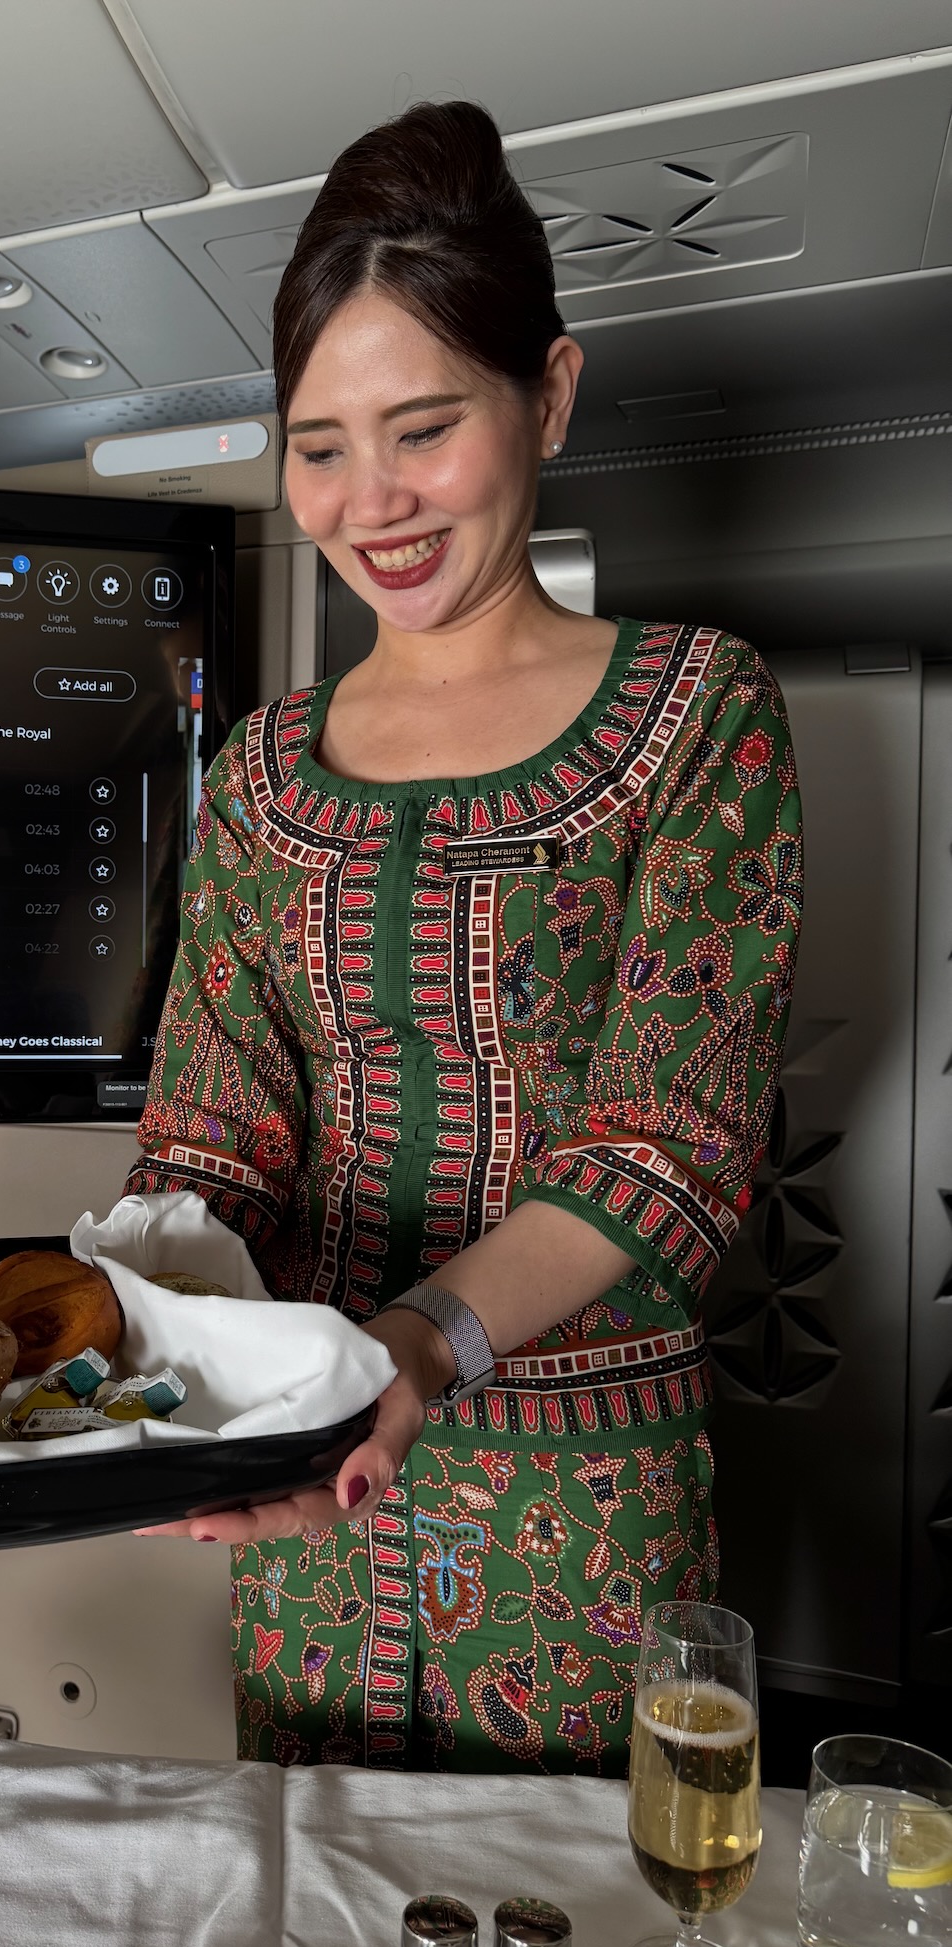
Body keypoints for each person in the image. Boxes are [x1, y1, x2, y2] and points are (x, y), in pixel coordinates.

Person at [128, 99, 801, 1776]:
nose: (373, 502)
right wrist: (128, 1370)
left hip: (582, 1543)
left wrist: (419, 1350)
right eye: (319, 443)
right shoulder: (264, 772)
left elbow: (670, 1150)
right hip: (303, 1517)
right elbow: (211, 1138)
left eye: (423, 427)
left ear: (548, 394)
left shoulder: (697, 713)